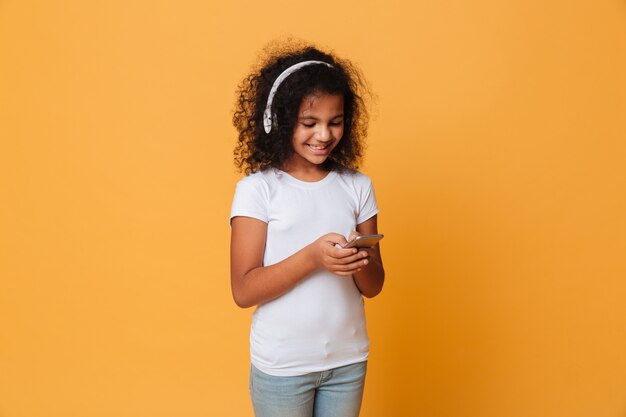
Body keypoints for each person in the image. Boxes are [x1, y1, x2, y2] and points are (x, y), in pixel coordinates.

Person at [229, 42, 385, 417]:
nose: (324, 135)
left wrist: (357, 259)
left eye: (335, 122)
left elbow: (375, 286)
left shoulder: (357, 185)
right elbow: (243, 290)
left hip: (348, 362)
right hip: (283, 366)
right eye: (309, 123)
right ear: (279, 121)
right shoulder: (258, 189)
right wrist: (314, 257)